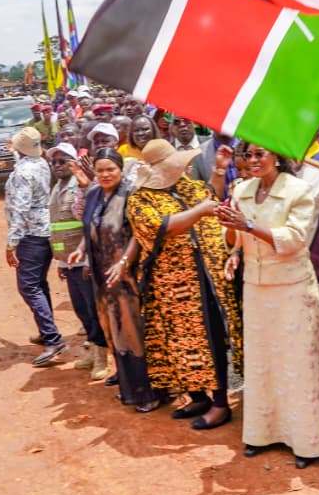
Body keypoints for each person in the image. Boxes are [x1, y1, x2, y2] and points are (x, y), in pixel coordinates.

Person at [216, 143, 319, 468]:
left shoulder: (299, 190)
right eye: (248, 155)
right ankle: (263, 433)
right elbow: (232, 236)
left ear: (277, 156)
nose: (253, 161)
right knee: (263, 361)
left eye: (260, 154)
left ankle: (310, 441)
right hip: (256, 287)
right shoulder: (242, 190)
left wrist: (246, 225)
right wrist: (234, 252)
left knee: (297, 363)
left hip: (292, 287)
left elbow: (293, 240)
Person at [127, 139, 242, 431]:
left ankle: (220, 403)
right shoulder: (141, 200)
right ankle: (198, 396)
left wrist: (218, 170)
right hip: (172, 283)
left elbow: (210, 197)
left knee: (211, 338)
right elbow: (161, 228)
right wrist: (199, 212)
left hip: (204, 279)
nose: (185, 167)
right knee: (179, 341)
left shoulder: (188, 186)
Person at [81, 148, 161, 411]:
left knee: (133, 333)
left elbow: (140, 233)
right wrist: (82, 251)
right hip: (102, 277)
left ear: (120, 169)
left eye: (110, 169)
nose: (105, 174)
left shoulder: (131, 194)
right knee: (113, 332)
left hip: (128, 278)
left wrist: (124, 262)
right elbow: (92, 227)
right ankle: (129, 389)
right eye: (100, 170)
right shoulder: (93, 194)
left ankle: (148, 393)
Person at [47, 144, 109, 382]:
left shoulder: (82, 187)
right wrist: (60, 262)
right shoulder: (57, 188)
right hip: (68, 261)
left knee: (94, 310)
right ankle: (93, 353)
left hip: (86, 259)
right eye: (55, 162)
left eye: (63, 161)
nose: (58, 166)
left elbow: (88, 220)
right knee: (81, 310)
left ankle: (102, 357)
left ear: (74, 163)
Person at [4, 127, 64, 366]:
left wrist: (11, 243)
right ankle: (45, 330)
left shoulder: (23, 173)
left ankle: (53, 337)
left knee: (28, 286)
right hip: (45, 232)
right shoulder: (40, 163)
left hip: (30, 234)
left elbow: (20, 209)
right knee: (39, 282)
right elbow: (23, 158)